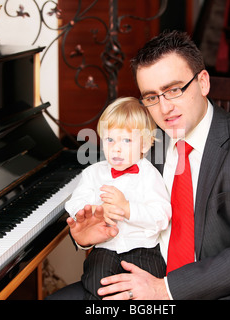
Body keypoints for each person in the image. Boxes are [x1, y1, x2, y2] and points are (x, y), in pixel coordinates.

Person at [52, 30, 230, 300]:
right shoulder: (144, 144)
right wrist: (86, 237)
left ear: (202, 82)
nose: (164, 109)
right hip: (147, 272)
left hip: (226, 288)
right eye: (151, 97)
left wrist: (165, 290)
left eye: (174, 90)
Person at [64, 97, 171, 300]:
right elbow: (74, 204)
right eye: (110, 139)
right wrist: (98, 210)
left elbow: (161, 215)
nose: (116, 148)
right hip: (106, 249)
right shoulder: (93, 173)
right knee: (97, 284)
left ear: (145, 145)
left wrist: (127, 208)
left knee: (146, 290)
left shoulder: (150, 175)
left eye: (127, 140)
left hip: (144, 251)